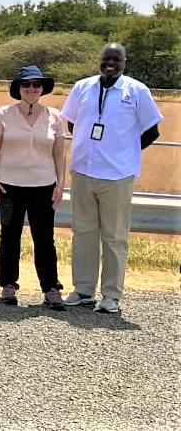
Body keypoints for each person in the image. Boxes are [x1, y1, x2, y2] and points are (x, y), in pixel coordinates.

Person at [60, 43, 163, 313]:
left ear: (124, 62)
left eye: (116, 60)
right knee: (83, 233)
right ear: (99, 60)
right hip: (83, 171)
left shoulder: (136, 91)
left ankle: (111, 296)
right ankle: (83, 290)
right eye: (106, 58)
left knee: (115, 238)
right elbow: (72, 122)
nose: (110, 64)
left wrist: (124, 151)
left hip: (117, 176)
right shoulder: (83, 87)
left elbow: (152, 131)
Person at [0, 65, 67, 310]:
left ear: (42, 89)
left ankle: (51, 288)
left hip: (43, 186)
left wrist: (60, 184)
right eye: (26, 85)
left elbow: (60, 154)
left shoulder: (54, 116)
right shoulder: (4, 114)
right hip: (9, 186)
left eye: (36, 85)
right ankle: (8, 286)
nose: (31, 89)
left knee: (44, 239)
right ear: (18, 88)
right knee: (9, 236)